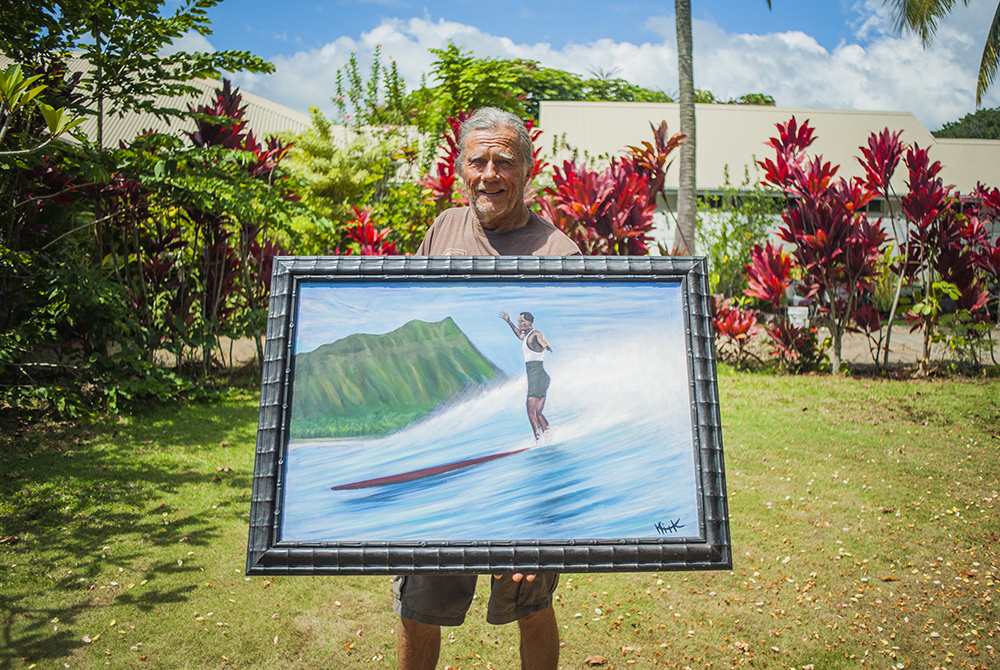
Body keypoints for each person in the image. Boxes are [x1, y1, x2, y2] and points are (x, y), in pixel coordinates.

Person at [398, 107, 579, 670]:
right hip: (450, 464)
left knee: (531, 608)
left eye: (504, 161)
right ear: (460, 167)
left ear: (527, 168)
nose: (489, 173)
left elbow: (571, 382)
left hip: (523, 478)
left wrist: (543, 517)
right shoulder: (444, 229)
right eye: (477, 160)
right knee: (418, 610)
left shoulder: (560, 254)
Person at [500, 311, 552, 442]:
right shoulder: (527, 335)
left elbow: (542, 340)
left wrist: (546, 345)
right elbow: (519, 334)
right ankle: (548, 438)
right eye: (518, 321)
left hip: (537, 376)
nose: (519, 324)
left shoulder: (536, 334)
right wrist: (509, 322)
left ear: (529, 322)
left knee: (531, 412)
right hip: (539, 376)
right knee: (538, 413)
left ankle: (539, 440)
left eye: (521, 321)